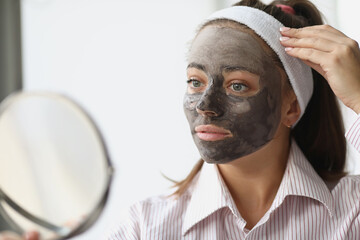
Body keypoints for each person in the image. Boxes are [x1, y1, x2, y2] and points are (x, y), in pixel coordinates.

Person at [107, 0, 360, 239]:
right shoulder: (142, 227)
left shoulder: (353, 212)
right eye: (196, 82)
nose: (205, 106)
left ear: (291, 106)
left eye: (237, 86)